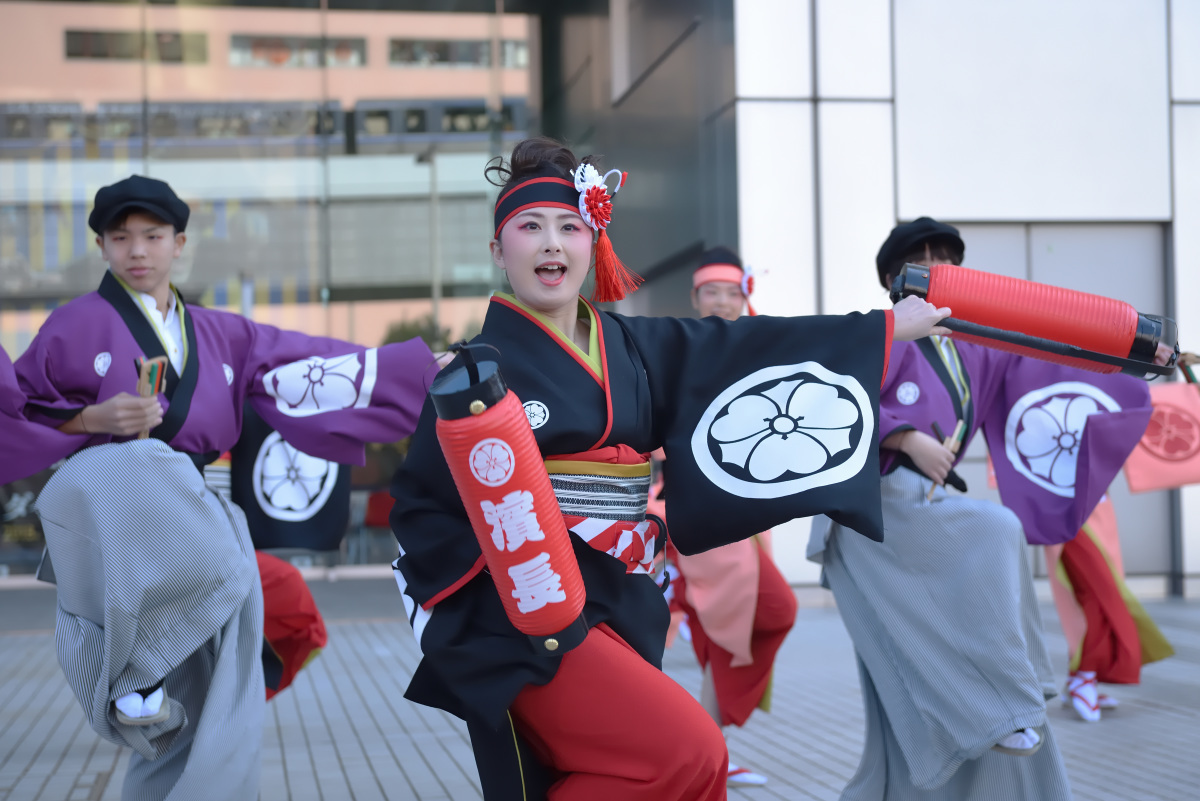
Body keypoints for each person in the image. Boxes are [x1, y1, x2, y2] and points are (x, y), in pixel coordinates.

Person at [389, 137, 951, 801]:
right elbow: (421, 511)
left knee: (693, 775)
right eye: (529, 227)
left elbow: (742, 348)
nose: (551, 244)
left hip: (621, 590)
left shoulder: (628, 343)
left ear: (593, 241)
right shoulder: (477, 374)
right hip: (528, 612)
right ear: (497, 250)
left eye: (570, 226)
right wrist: (511, 577)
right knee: (686, 752)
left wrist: (880, 330)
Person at [12, 174, 437, 801]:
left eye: (153, 236)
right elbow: (18, 412)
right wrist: (90, 420)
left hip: (202, 511)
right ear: (101, 245)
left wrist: (425, 372)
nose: (137, 250)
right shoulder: (72, 327)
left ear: (178, 243)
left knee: (214, 710)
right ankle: (135, 671)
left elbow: (311, 366)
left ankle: (165, 732)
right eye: (121, 236)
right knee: (201, 549)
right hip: (120, 523)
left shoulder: (221, 334)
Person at [807, 217, 1166, 800]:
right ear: (893, 280)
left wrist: (1135, 354)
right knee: (996, 529)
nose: (935, 269)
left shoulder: (978, 346)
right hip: (871, 513)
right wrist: (902, 436)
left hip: (919, 514)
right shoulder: (883, 332)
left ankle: (1012, 708)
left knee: (908, 684)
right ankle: (1014, 699)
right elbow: (832, 400)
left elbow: (1054, 358)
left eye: (945, 258)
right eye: (919, 261)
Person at [651, 246, 796, 788]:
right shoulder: (680, 350)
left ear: (744, 298)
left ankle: (709, 749)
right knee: (773, 609)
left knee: (725, 630)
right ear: (695, 297)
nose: (720, 301)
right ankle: (703, 742)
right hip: (701, 505)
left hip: (746, 510)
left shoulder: (756, 350)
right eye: (711, 292)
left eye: (731, 293)